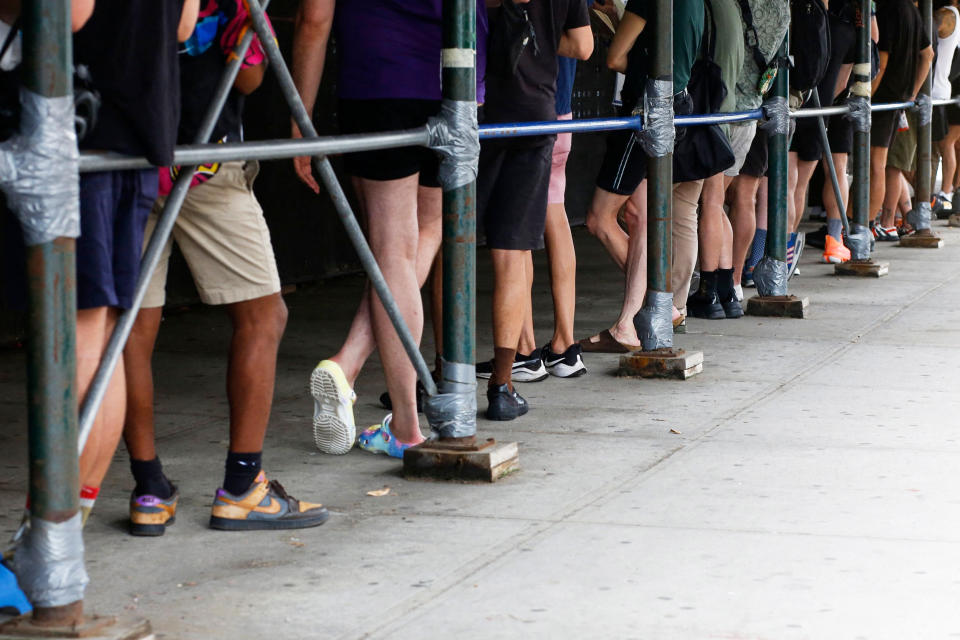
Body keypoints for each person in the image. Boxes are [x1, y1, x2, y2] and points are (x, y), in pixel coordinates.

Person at [121, 0, 328, 536]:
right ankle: (242, 488)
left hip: (124, 158)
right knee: (264, 316)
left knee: (130, 332)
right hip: (205, 163)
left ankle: (148, 489)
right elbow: (250, 79)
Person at [2, 0, 199, 524]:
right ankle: (64, 527)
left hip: (81, 130)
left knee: (79, 335)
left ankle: (47, 534)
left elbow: (70, 13)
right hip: (138, 134)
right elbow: (184, 24)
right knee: (104, 332)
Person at [292, 0, 487, 455]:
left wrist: (300, 119)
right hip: (456, 75)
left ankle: (403, 421)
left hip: (380, 75)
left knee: (393, 250)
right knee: (426, 232)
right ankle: (349, 363)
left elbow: (314, 17)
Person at [479, 0, 592, 420]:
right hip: (540, 113)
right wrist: (540, 44)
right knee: (515, 248)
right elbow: (583, 44)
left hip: (480, 108)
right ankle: (504, 382)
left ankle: (437, 375)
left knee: (438, 240)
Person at [579, 0, 705, 352]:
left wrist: (617, 27)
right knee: (641, 216)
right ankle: (644, 316)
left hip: (645, 111)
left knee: (599, 218)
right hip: (676, 104)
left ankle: (657, 307)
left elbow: (616, 58)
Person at [787, 0, 859, 265]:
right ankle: (833, 240)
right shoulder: (847, 27)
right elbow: (844, 80)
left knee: (788, 185)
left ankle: (783, 254)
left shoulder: (795, 17)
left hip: (793, 103)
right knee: (811, 181)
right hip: (823, 110)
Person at [687, 0, 747, 319]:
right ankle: (725, 290)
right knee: (717, 203)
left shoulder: (704, 6)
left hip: (712, 111)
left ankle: (708, 291)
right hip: (733, 109)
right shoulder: (730, 8)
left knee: (708, 205)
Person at [726, 0, 789, 291]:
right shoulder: (783, 9)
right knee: (745, 197)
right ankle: (737, 275)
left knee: (720, 200)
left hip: (734, 105)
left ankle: (731, 277)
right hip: (763, 104)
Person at [869, 0, 934, 239]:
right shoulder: (912, 11)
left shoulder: (889, 10)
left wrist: (867, 96)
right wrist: (912, 93)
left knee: (876, 164)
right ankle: (873, 224)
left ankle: (866, 226)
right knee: (884, 165)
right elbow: (928, 54)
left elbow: (882, 62)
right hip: (898, 98)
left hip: (882, 97)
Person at [932, 0, 960, 214]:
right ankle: (948, 192)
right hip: (946, 88)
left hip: (941, 90)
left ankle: (946, 193)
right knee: (947, 144)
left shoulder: (949, 14)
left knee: (948, 142)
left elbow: (929, 29)